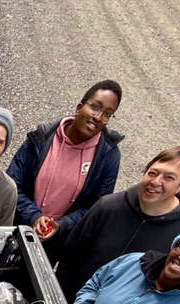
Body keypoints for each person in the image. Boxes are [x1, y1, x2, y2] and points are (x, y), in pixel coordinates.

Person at [56, 146, 180, 303]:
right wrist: (60, 294)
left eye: (169, 178)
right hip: (73, 302)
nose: (156, 182)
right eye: (153, 173)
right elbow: (71, 251)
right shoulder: (108, 206)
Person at [7, 80, 124, 260]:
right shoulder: (42, 138)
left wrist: (61, 225)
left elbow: (96, 207)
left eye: (108, 114)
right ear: (79, 107)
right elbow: (12, 183)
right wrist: (34, 216)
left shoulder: (108, 156)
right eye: (95, 107)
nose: (98, 117)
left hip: (56, 242)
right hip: (16, 228)